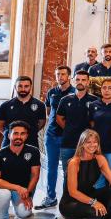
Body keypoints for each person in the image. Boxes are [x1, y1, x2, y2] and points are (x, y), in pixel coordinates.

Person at [59, 129, 111, 219]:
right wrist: (94, 202)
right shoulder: (74, 162)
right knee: (97, 213)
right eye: (89, 142)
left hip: (88, 196)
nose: (92, 145)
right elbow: (73, 192)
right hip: (71, 202)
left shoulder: (100, 159)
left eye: (95, 142)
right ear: (82, 144)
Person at [0, 121, 41, 219]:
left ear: (26, 136)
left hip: (23, 191)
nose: (19, 136)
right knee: (4, 194)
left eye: (22, 133)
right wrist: (17, 187)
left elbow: (35, 175)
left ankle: (18, 215)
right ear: (9, 135)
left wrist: (28, 193)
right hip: (4, 188)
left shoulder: (33, 152)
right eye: (15, 133)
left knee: (24, 213)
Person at [37, 66, 75, 210]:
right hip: (52, 135)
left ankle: (67, 198)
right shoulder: (52, 92)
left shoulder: (74, 92)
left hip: (68, 136)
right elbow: (48, 111)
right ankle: (51, 197)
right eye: (58, 74)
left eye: (63, 74)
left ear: (69, 76)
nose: (60, 77)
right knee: (51, 168)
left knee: (68, 169)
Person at [57, 71, 99, 173]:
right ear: (74, 81)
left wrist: (87, 136)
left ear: (88, 82)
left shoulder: (95, 101)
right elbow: (59, 118)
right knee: (67, 174)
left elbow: (94, 122)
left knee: (83, 175)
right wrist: (69, 129)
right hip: (67, 143)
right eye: (78, 79)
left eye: (83, 80)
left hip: (86, 145)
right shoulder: (65, 100)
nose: (80, 82)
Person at [88, 79, 111, 188]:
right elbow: (91, 124)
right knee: (98, 180)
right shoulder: (93, 105)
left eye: (110, 88)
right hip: (97, 149)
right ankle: (98, 203)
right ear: (100, 90)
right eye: (104, 88)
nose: (107, 90)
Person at [0, 75, 46, 147]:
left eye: (26, 86)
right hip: (9, 144)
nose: (23, 89)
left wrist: (30, 133)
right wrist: (11, 135)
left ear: (30, 87)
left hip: (31, 142)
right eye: (20, 86)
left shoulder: (40, 105)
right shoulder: (5, 105)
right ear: (15, 87)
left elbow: (41, 123)